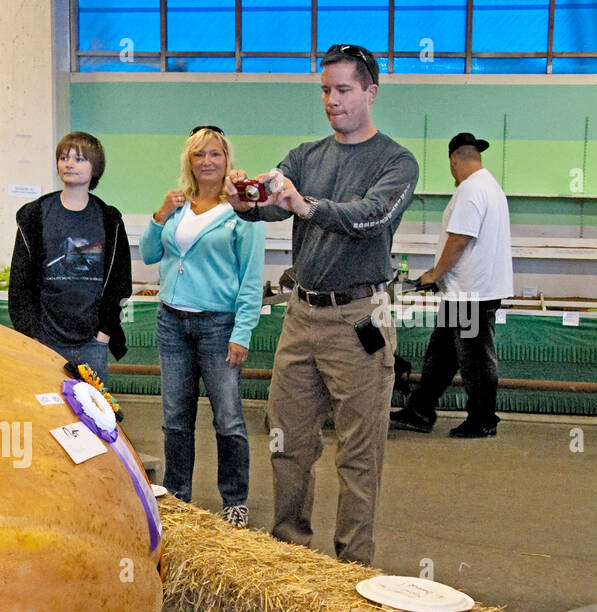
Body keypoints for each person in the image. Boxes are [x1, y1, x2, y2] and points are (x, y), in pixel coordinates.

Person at [229, 44, 418, 565]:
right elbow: (266, 206)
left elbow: (369, 218)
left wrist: (302, 203)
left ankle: (352, 567)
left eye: (343, 90)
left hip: (361, 318)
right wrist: (246, 199)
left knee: (359, 453)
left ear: (370, 92)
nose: (331, 101)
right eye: (325, 91)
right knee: (287, 441)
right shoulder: (306, 156)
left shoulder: (397, 162)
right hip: (301, 315)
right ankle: (292, 558)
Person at [139, 125, 265, 527]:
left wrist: (241, 332)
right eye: (199, 155)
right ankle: (178, 495)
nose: (207, 162)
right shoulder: (176, 206)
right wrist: (159, 216)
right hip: (171, 322)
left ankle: (235, 500)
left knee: (228, 419)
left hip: (218, 325)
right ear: (188, 163)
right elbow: (148, 253)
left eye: (214, 154)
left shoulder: (242, 212)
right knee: (175, 417)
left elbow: (250, 278)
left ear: (227, 160)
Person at [390, 132, 513, 438]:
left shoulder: (471, 189)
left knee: (475, 360)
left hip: (470, 294)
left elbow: (460, 239)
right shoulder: (490, 186)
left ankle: (483, 419)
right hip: (467, 291)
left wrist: (434, 273)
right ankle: (420, 410)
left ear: (453, 159)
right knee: (442, 355)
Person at [9, 132, 132, 384]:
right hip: (44, 342)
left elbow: (120, 281)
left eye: (79, 159)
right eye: (64, 157)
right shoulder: (34, 216)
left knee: (92, 417)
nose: (69, 164)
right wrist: (30, 335)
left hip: (92, 344)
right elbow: (19, 282)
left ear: (95, 167)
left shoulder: (110, 220)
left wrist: (103, 335)